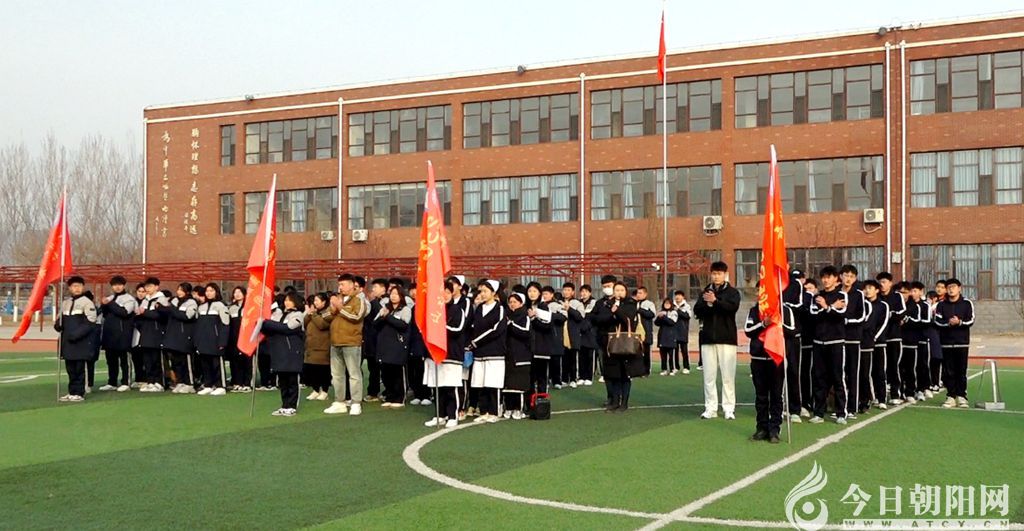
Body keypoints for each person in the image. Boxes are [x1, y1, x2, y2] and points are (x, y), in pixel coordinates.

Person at [744, 288, 795, 444]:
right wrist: (764, 323)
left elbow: (792, 331)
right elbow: (748, 331)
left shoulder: (785, 310)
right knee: (761, 396)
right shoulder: (754, 310)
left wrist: (777, 322)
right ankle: (762, 428)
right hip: (758, 358)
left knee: (776, 396)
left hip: (776, 358)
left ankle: (774, 430)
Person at [694, 261, 742, 420]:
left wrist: (716, 301)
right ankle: (710, 408)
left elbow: (732, 308)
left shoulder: (732, 292)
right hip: (708, 338)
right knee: (709, 376)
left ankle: (729, 408)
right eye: (714, 273)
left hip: (727, 339)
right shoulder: (705, 292)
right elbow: (697, 311)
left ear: (725, 274)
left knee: (728, 377)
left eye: (719, 273)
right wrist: (708, 304)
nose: (716, 276)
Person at [591, 281, 642, 412]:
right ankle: (614, 401)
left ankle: (624, 402)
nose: (619, 293)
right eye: (617, 290)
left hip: (625, 343)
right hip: (609, 342)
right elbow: (597, 318)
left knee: (625, 374)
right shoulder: (606, 303)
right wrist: (611, 314)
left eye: (621, 290)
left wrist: (617, 310)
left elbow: (627, 318)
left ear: (626, 291)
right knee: (612, 374)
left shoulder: (631, 303)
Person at [809, 266, 849, 424]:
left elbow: (840, 316)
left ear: (836, 279)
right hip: (819, 343)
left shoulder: (842, 295)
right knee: (819, 378)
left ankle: (841, 413)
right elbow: (814, 316)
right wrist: (831, 308)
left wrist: (826, 307)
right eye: (823, 277)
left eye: (829, 277)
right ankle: (818, 413)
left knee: (838, 378)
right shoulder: (817, 296)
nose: (825, 280)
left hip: (836, 343)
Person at [425, 281, 468, 428]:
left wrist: (440, 327)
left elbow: (458, 329)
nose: (444, 295)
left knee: (451, 387)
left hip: (452, 354)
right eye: (441, 293)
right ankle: (440, 415)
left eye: (447, 292)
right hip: (435, 355)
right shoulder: (432, 311)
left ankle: (452, 415)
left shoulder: (457, 310)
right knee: (438, 387)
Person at [324, 273, 365, 416]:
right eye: (339, 284)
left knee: (354, 374)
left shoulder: (359, 300)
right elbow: (325, 316)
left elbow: (357, 316)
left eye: (343, 284)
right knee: (337, 375)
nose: (340, 287)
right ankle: (339, 402)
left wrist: (340, 308)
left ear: (352, 285)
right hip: (335, 342)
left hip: (351, 342)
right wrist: (333, 309)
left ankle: (356, 403)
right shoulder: (337, 299)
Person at [468, 279, 507, 423]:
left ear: (493, 292)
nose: (482, 294)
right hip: (479, 353)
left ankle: (494, 411)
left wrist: (476, 342)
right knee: (481, 383)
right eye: (481, 291)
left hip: (495, 352)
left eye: (485, 291)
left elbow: (496, 329)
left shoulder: (500, 308)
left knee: (493, 383)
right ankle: (484, 411)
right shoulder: (479, 308)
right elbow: (474, 327)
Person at [261, 291, 305, 416]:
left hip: (292, 351)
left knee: (292, 380)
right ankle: (284, 405)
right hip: (279, 351)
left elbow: (288, 328)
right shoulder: (279, 314)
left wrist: (267, 322)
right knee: (283, 380)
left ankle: (292, 405)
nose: (287, 302)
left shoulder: (298, 315)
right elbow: (271, 328)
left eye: (290, 300)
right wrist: (262, 323)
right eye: (286, 300)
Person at [55, 276, 98, 402]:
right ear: (69, 288)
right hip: (67, 342)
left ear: (83, 287)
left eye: (79, 286)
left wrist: (76, 335)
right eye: (74, 286)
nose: (77, 288)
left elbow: (91, 322)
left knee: (79, 369)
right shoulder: (65, 303)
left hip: (81, 342)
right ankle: (72, 391)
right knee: (70, 369)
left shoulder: (87, 302)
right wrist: (58, 325)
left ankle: (79, 392)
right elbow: (59, 320)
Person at [933, 278, 973, 409]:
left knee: (961, 370)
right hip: (946, 343)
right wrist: (948, 323)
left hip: (962, 343)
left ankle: (962, 396)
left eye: (953, 287)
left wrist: (959, 322)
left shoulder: (967, 303)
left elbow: (971, 320)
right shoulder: (941, 305)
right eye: (949, 287)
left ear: (959, 288)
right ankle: (951, 396)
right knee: (948, 371)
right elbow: (937, 321)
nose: (951, 289)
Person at [375, 286, 413, 408]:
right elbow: (375, 324)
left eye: (396, 294)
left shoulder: (405, 309)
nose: (393, 296)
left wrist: (388, 317)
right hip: (384, 346)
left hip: (398, 346)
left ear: (401, 296)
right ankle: (389, 396)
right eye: (391, 294)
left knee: (398, 373)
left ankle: (399, 398)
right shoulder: (385, 309)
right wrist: (383, 316)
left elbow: (403, 325)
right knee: (386, 374)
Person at [839, 265, 868, 419]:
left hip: (853, 339)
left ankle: (852, 407)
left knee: (853, 373)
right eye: (846, 275)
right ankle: (840, 406)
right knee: (839, 374)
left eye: (851, 276)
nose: (848, 279)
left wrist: (846, 321)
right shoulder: (836, 293)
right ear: (840, 276)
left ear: (855, 278)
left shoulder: (858, 294)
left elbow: (861, 316)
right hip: (837, 339)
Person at [99, 275, 136, 392]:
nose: (117, 287)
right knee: (111, 360)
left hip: (123, 334)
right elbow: (104, 314)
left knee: (124, 360)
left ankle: (126, 382)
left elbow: (124, 312)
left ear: (124, 285)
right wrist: (104, 305)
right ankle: (112, 382)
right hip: (109, 334)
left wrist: (109, 303)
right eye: (115, 285)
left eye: (120, 285)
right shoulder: (110, 298)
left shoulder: (129, 299)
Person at [193, 283, 230, 396]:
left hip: (216, 340)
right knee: (205, 364)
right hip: (203, 341)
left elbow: (225, 324)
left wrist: (222, 341)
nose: (209, 293)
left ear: (216, 292)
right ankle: (208, 385)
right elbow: (198, 326)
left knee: (217, 364)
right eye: (207, 291)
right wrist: (197, 341)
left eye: (211, 291)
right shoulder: (201, 307)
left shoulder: (221, 306)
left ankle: (221, 385)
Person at [162, 283, 198, 394]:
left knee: (186, 361)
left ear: (187, 292)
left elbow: (187, 316)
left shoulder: (191, 302)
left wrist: (172, 309)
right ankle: (180, 381)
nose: (179, 292)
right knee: (176, 361)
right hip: (173, 336)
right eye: (178, 289)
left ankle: (190, 383)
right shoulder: (174, 301)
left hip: (185, 336)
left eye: (182, 290)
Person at [134, 277, 169, 392]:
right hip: (145, 333)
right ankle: (150, 381)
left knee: (156, 359)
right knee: (147, 359)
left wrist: (145, 312)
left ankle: (160, 382)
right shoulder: (145, 300)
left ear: (156, 287)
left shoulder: (161, 300)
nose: (147, 289)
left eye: (150, 286)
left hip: (157, 333)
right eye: (146, 286)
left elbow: (161, 316)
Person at [876, 272, 906, 405]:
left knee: (894, 366)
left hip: (894, 337)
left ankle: (895, 394)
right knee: (879, 368)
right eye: (880, 282)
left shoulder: (897, 296)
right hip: (880, 338)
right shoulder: (876, 297)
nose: (882, 285)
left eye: (884, 282)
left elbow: (902, 313)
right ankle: (879, 395)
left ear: (890, 283)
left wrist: (889, 314)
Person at [503, 291, 532, 420]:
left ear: (521, 303)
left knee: (519, 384)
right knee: (508, 384)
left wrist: (511, 325)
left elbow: (525, 332)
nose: (512, 304)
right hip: (508, 355)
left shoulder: (524, 317)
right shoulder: (506, 316)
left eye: (515, 302)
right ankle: (508, 407)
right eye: (510, 302)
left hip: (521, 356)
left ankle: (518, 408)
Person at [861, 280, 890, 412]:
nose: (867, 291)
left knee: (879, 371)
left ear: (877, 290)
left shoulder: (883, 305)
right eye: (865, 288)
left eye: (870, 288)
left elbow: (884, 324)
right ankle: (868, 397)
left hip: (878, 343)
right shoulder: (862, 304)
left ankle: (882, 398)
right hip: (864, 344)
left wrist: (874, 338)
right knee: (865, 372)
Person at [303, 293, 333, 401]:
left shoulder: (327, 312)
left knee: (323, 370)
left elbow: (322, 324)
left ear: (324, 302)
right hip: (311, 346)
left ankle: (324, 391)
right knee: (312, 369)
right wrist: (309, 314)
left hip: (322, 346)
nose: (315, 303)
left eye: (317, 300)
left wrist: (313, 314)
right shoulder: (313, 313)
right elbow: (305, 323)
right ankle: (315, 390)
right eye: (314, 301)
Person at [362, 278, 388, 402]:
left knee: (382, 369)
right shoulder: (374, 302)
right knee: (373, 368)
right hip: (372, 341)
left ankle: (382, 392)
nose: (373, 290)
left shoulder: (383, 303)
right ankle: (373, 392)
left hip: (381, 341)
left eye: (375, 287)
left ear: (383, 289)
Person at [540, 286, 567, 389]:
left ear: (552, 295)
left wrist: (549, 315)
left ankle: (557, 381)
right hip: (543, 337)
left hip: (555, 336)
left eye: (546, 294)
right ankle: (546, 380)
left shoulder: (557, 305)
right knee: (544, 361)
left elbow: (564, 317)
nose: (544, 296)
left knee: (556, 360)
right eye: (543, 294)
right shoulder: (539, 305)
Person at [226, 286, 251, 392]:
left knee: (247, 361)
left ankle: (247, 383)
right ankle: (237, 382)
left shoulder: (249, 307)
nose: (237, 294)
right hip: (234, 338)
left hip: (247, 338)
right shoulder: (231, 308)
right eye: (235, 292)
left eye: (239, 292)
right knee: (235, 361)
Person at [561, 283, 585, 388]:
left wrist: (569, 309)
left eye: (568, 290)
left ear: (573, 292)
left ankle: (574, 378)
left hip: (573, 334)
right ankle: (564, 379)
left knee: (573, 357)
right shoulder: (559, 303)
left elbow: (580, 317)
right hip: (561, 334)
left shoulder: (577, 303)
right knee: (564, 358)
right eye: (564, 290)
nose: (566, 292)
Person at [577, 284, 598, 386]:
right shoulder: (578, 303)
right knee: (581, 356)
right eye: (582, 291)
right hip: (580, 333)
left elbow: (593, 317)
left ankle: (589, 377)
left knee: (590, 356)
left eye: (586, 291)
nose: (583, 293)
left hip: (590, 333)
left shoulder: (594, 303)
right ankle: (582, 376)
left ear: (590, 293)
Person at [635, 287, 657, 377]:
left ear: (645, 294)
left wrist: (641, 310)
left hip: (646, 331)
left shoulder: (649, 304)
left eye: (640, 293)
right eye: (637, 293)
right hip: (636, 331)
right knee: (637, 352)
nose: (638, 295)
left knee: (646, 352)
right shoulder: (634, 303)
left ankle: (646, 371)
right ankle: (637, 371)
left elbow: (651, 314)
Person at [129, 282, 148, 389]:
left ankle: (146, 379)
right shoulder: (133, 302)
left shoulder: (148, 302)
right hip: (134, 334)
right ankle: (138, 378)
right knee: (136, 358)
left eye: (143, 291)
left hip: (145, 333)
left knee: (145, 358)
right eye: (139, 291)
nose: (141, 294)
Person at [655, 298, 679, 375]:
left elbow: (672, 322)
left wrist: (664, 317)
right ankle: (664, 369)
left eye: (668, 303)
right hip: (662, 336)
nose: (667, 305)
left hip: (671, 336)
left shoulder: (674, 312)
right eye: (665, 303)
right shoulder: (662, 312)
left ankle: (672, 369)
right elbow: (656, 323)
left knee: (671, 355)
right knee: (663, 355)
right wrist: (659, 317)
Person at [672, 290, 692, 374]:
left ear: (683, 297)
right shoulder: (672, 305)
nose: (677, 297)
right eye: (676, 295)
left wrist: (678, 311)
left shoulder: (687, 306)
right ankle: (676, 367)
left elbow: (687, 316)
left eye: (679, 295)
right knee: (675, 350)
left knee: (684, 350)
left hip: (683, 331)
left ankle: (686, 367)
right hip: (673, 331)